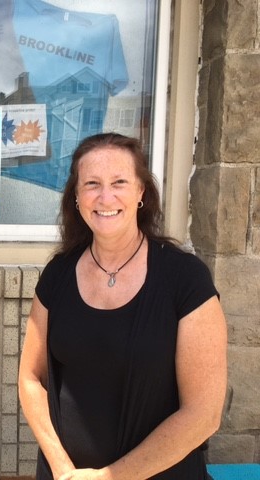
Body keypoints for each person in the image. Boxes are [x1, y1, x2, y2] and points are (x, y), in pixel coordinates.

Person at [18, 133, 227, 480]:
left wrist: (109, 477)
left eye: (119, 182)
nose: (105, 197)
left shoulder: (185, 279)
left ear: (141, 192)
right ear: (76, 196)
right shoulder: (58, 274)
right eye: (92, 184)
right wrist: (62, 468)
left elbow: (203, 415)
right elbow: (30, 378)